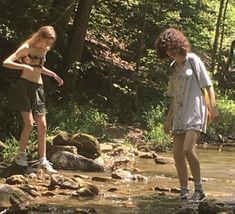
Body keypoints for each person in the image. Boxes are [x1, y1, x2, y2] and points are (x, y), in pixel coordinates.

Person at [155, 28, 220, 202]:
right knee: (177, 154)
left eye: (171, 47)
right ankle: (184, 192)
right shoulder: (173, 69)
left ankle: (199, 189)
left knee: (187, 149)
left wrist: (213, 108)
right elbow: (175, 96)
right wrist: (168, 119)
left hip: (195, 111)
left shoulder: (193, 60)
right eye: (166, 50)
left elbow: (208, 85)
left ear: (178, 44)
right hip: (179, 114)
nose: (169, 52)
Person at [3, 26, 64, 174]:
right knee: (29, 124)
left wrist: (53, 75)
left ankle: (43, 161)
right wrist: (23, 66)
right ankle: (21, 156)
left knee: (42, 125)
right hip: (24, 86)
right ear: (40, 37)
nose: (46, 46)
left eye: (49, 43)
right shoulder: (26, 48)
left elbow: (39, 68)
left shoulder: (44, 50)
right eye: (45, 42)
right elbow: (6, 62)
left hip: (38, 88)